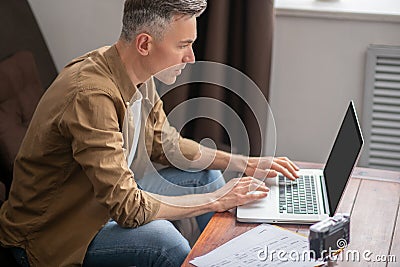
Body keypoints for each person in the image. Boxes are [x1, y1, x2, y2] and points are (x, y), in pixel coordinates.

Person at [0, 0, 299, 266]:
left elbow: (165, 143)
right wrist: (216, 200)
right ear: (145, 44)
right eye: (183, 45)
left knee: (205, 176)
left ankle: (230, 258)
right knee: (164, 242)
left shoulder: (137, 73)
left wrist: (243, 162)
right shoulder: (91, 95)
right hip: (51, 236)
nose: (191, 57)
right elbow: (127, 207)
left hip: (98, 204)